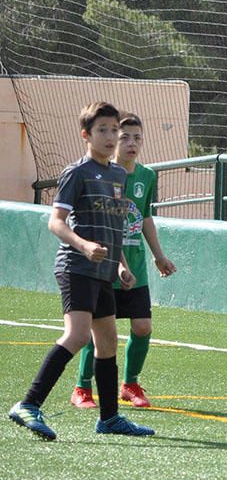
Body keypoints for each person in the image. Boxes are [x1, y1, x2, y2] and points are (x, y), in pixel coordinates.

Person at [8, 101, 155, 440]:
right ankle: (29, 404)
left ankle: (109, 418)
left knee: (107, 341)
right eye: (102, 130)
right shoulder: (77, 172)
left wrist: (120, 265)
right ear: (86, 135)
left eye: (114, 130)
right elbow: (55, 223)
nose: (110, 136)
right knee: (77, 336)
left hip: (105, 271)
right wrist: (84, 246)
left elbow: (113, 227)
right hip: (76, 266)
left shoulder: (119, 174)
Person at [71, 112, 177, 410]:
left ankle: (130, 384)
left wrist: (159, 256)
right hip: (105, 266)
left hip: (137, 267)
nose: (132, 143)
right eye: (125, 137)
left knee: (142, 326)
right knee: (99, 331)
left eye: (137, 137)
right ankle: (82, 387)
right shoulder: (104, 175)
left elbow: (143, 217)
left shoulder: (147, 176)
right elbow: (104, 223)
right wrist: (117, 262)